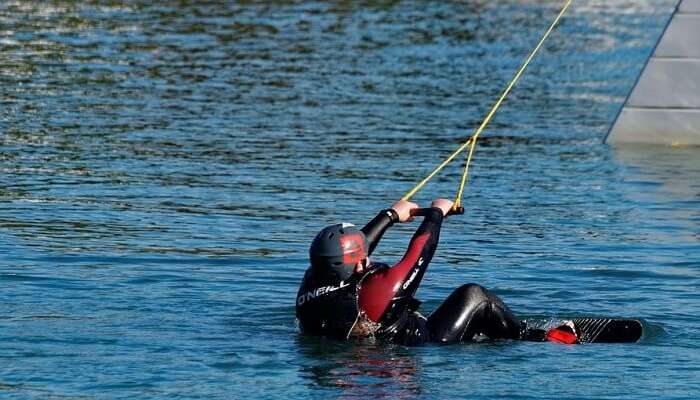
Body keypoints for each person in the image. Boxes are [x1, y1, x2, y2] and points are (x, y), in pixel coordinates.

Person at [295, 198, 556, 346]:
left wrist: (390, 215)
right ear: (356, 262)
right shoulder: (378, 292)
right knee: (475, 295)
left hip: (358, 350)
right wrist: (436, 213)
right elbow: (421, 251)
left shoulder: (312, 281)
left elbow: (354, 250)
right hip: (428, 341)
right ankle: (536, 337)